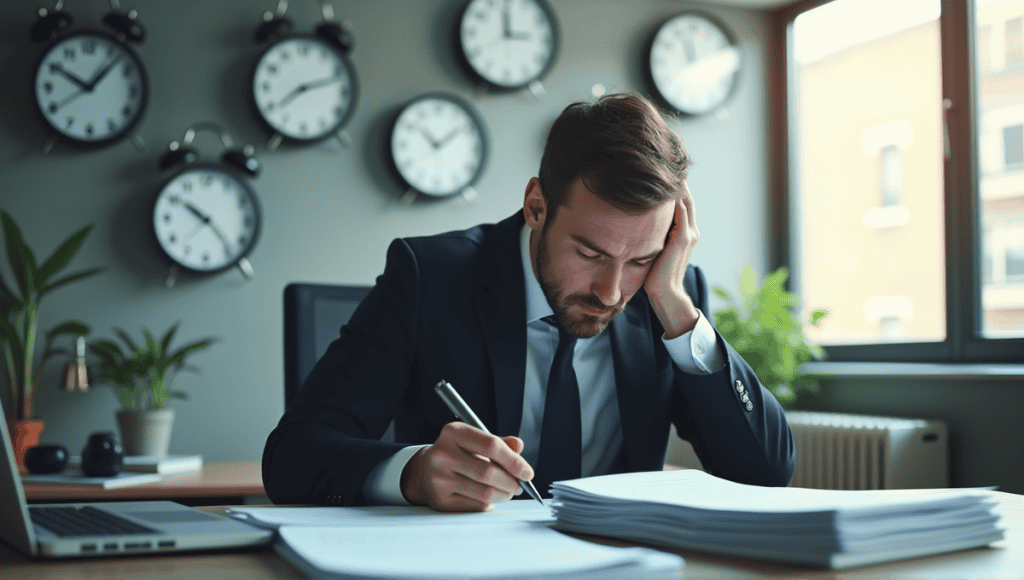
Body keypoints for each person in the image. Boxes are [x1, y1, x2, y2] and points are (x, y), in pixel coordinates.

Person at [263, 93, 795, 512]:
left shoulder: (668, 298)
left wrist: (675, 306)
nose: (611, 292)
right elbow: (293, 455)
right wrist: (413, 473)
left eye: (639, 260)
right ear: (536, 205)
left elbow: (766, 473)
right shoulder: (431, 277)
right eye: (589, 252)